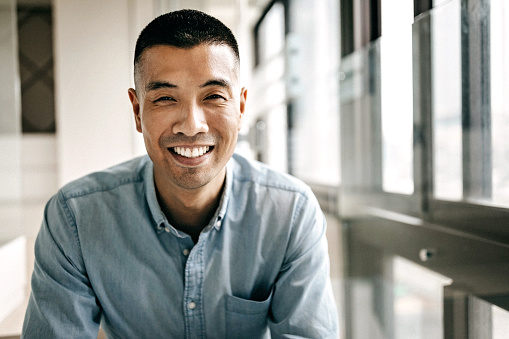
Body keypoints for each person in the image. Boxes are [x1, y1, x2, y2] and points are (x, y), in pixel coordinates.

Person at [22, 9, 339, 338]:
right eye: (165, 98)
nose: (191, 125)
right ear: (137, 111)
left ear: (241, 107)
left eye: (213, 96)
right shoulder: (75, 218)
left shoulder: (291, 213)